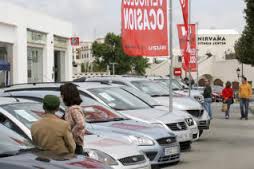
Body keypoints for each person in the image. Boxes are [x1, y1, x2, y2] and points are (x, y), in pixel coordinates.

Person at [60, 83, 85, 154]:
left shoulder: (74, 109)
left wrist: (70, 134)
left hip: (75, 144)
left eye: (62, 95)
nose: (61, 97)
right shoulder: (70, 109)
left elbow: (81, 124)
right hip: (73, 143)